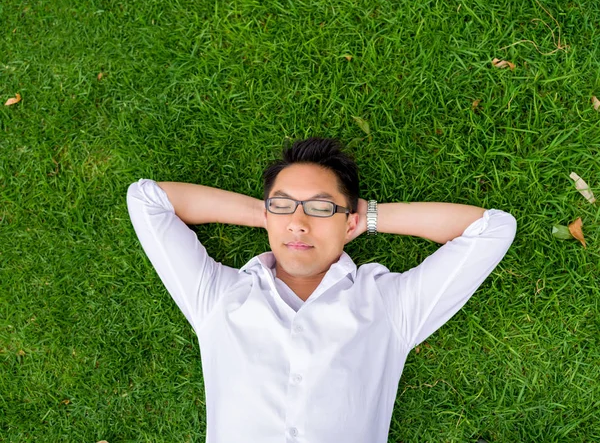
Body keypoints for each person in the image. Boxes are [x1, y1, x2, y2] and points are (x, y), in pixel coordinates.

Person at [126, 137, 516, 443]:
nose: (298, 224)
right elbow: (146, 198)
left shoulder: (389, 306)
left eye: (320, 208)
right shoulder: (217, 297)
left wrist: (368, 217)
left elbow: (494, 229)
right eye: (282, 206)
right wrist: (268, 217)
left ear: (351, 223)